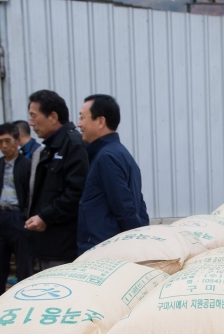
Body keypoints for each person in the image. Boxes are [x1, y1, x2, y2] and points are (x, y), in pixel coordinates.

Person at [76, 94, 149, 254]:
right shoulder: (121, 153)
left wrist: (139, 247)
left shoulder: (106, 157)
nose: (79, 124)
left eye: (82, 118)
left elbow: (124, 207)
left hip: (104, 250)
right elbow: (139, 205)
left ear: (101, 121)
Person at [26, 90, 88, 269]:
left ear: (53, 116)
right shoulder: (49, 148)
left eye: (34, 116)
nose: (31, 123)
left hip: (63, 245)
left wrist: (45, 217)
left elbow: (76, 192)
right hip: (47, 242)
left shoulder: (73, 144)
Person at [0, 123, 32, 306]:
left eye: (7, 141)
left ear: (17, 140)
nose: (4, 146)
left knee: (25, 267)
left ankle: (24, 304)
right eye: (0, 142)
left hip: (18, 218)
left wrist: (25, 216)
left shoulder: (27, 164)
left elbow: (31, 193)